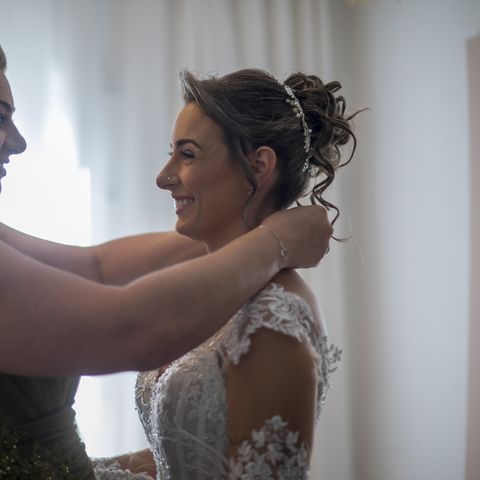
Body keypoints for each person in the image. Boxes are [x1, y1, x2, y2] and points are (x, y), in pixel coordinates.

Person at [0, 25, 332, 479]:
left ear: (258, 167)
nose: (19, 142)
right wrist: (274, 241)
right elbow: (129, 327)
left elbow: (99, 266)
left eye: (187, 154)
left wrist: (240, 230)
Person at [91, 68, 358, 479]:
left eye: (188, 154)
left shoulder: (273, 317)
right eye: (171, 153)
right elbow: (185, 449)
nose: (163, 177)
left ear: (259, 166)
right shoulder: (216, 288)